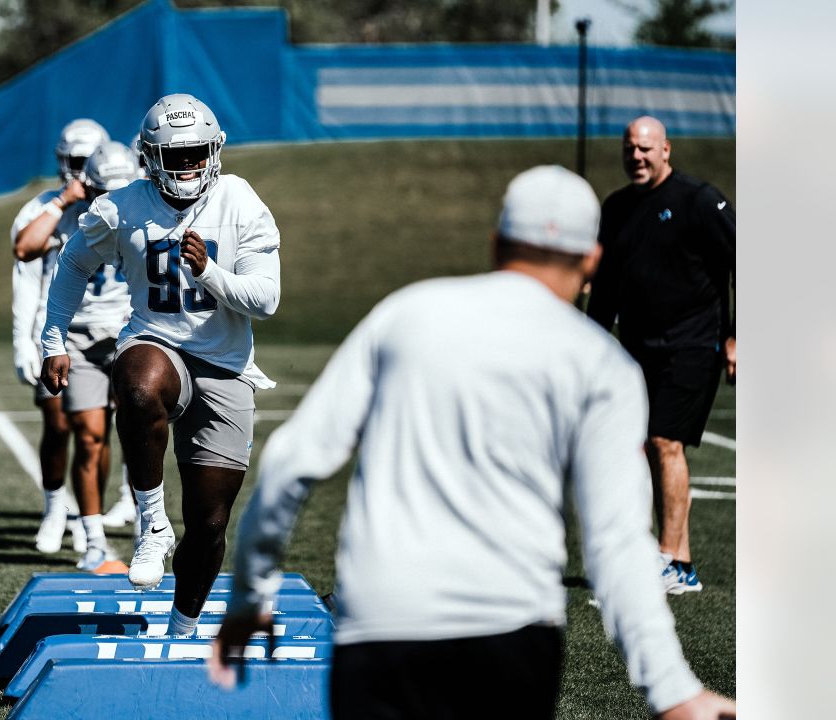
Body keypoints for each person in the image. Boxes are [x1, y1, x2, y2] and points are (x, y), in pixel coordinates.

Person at [209, 166, 735, 720]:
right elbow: (617, 542)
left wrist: (251, 595)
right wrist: (672, 689)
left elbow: (293, 459)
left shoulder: (408, 314)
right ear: (591, 263)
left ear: (496, 243)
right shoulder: (603, 365)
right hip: (512, 634)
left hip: (382, 626)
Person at [41, 94, 281, 637]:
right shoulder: (122, 205)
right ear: (150, 157)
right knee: (139, 384)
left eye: (198, 151)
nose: (190, 164)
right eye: (176, 155)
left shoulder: (239, 200)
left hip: (225, 365)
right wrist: (53, 339)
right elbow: (73, 263)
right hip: (156, 343)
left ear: (215, 150)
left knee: (211, 523)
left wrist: (210, 273)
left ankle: (183, 624)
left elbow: (267, 299)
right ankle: (151, 523)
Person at [586, 115, 736, 595]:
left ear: (666, 150)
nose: (638, 156)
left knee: (665, 442)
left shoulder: (699, 201)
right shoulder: (616, 209)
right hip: (637, 348)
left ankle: (674, 564)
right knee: (639, 447)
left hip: (693, 343)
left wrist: (737, 337)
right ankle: (671, 557)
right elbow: (605, 290)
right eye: (630, 148)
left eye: (647, 148)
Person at [11, 118, 109, 554]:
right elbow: (24, 253)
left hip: (113, 329)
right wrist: (63, 204)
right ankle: (54, 508)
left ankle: (95, 517)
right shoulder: (45, 205)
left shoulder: (123, 201)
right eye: (76, 163)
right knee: (57, 425)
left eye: (91, 162)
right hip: (55, 331)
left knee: (97, 430)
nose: (84, 171)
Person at [55, 141, 139, 571]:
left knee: (143, 435)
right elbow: (25, 247)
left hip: (135, 333)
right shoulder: (68, 219)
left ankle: (148, 529)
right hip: (82, 335)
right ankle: (93, 540)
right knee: (89, 436)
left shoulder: (152, 212)